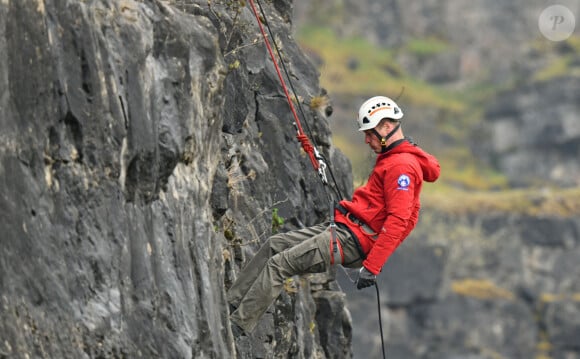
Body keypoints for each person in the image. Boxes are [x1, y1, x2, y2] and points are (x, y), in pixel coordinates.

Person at [227, 95, 440, 336]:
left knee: (279, 265)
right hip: (348, 229)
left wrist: (372, 267)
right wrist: (350, 210)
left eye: (370, 133)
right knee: (274, 245)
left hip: (354, 241)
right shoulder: (393, 158)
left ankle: (235, 327)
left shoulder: (401, 166)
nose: (367, 140)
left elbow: (399, 220)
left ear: (387, 127)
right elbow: (378, 207)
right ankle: (232, 303)